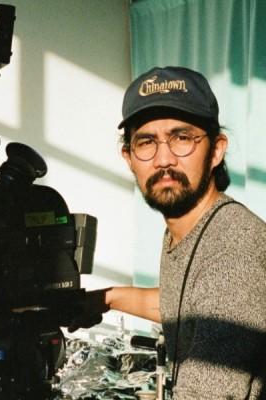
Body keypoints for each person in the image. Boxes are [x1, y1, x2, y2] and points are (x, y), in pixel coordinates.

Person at [69, 66, 266, 399]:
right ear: (129, 157)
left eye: (181, 138)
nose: (163, 159)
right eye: (146, 142)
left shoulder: (232, 253)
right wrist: (104, 299)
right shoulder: (195, 227)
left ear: (216, 150)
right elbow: (184, 304)